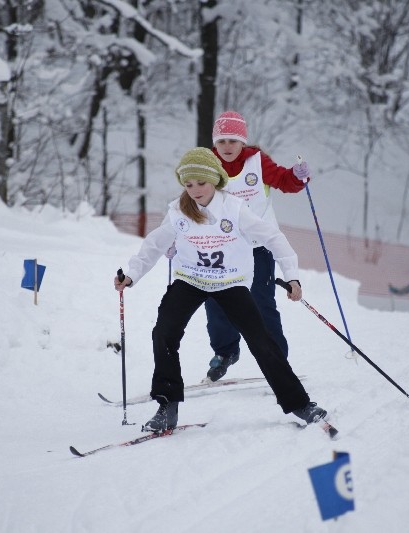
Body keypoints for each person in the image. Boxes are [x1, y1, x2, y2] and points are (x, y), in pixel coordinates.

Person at [115, 147, 328, 433]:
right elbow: (154, 244)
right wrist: (131, 274)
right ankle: (167, 406)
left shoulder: (234, 208)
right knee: (164, 334)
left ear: (215, 179)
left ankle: (301, 404)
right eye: (188, 184)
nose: (194, 190)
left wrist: (292, 277)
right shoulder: (179, 210)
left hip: (229, 282)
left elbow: (274, 238)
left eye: (201, 183)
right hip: (190, 279)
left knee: (261, 339)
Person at [199, 110, 310, 382]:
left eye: (233, 141)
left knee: (261, 305)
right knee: (216, 301)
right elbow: (192, 200)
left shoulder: (257, 162)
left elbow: (285, 182)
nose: (227, 147)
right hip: (222, 248)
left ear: (243, 142)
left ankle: (277, 361)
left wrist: (297, 176)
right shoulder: (207, 165)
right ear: (215, 142)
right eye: (222, 141)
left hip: (258, 247)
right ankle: (225, 352)